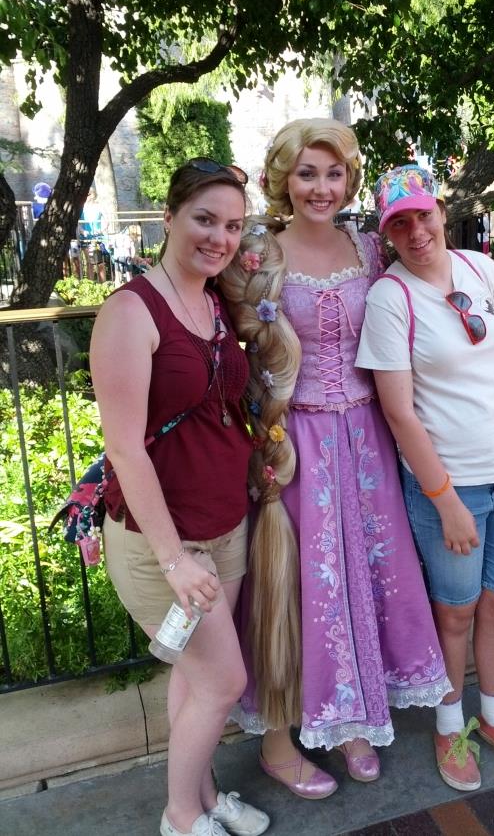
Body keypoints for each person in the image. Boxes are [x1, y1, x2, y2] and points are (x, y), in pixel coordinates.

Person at [221, 119, 451, 799]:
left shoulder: (368, 246)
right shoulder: (259, 252)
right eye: (307, 173)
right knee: (299, 582)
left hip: (369, 437)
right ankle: (281, 734)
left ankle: (355, 717)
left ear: (349, 179)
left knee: (366, 571)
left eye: (333, 173)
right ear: (284, 179)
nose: (321, 187)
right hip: (294, 441)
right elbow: (233, 341)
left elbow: (419, 300)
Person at [90, 160, 270, 836]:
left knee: (196, 679)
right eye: (204, 219)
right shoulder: (131, 312)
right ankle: (180, 816)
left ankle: (204, 792)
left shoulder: (216, 302)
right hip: (166, 544)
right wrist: (173, 560)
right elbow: (126, 449)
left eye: (231, 224)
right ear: (167, 217)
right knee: (222, 681)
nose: (219, 237)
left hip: (225, 524)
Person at [356, 164, 494, 793]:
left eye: (423, 215)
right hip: (451, 490)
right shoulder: (391, 298)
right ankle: (448, 725)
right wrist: (444, 501)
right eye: (400, 223)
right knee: (456, 614)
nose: (417, 232)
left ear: (440, 211)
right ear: (388, 233)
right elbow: (398, 411)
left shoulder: (479, 269)